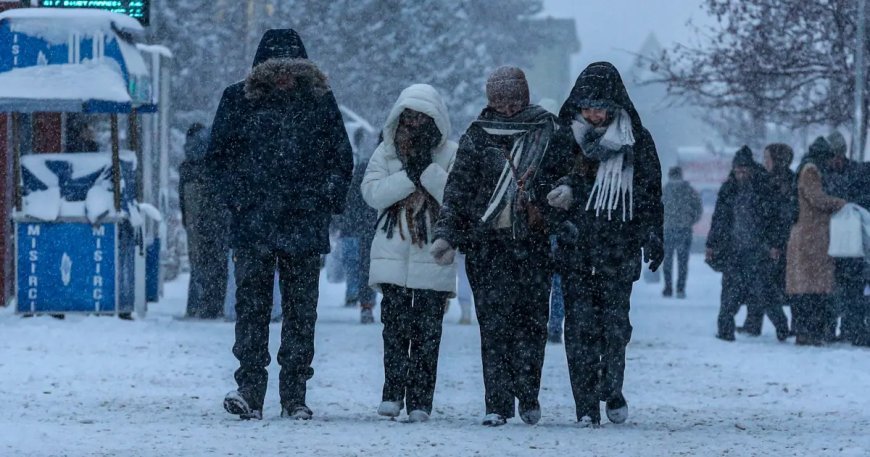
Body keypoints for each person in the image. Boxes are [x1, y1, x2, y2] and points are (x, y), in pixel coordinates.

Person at [210, 29, 353, 420]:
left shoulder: (320, 103)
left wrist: (323, 198)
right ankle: (250, 390)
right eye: (277, 69)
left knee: (300, 313)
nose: (285, 77)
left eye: (292, 69)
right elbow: (218, 160)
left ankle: (294, 395)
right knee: (252, 311)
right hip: (254, 224)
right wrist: (239, 200)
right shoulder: (236, 100)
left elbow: (341, 160)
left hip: (303, 225)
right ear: (264, 71)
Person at [432, 66, 572, 427]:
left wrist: (544, 207)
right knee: (494, 326)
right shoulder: (478, 136)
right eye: (498, 100)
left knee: (531, 324)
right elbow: (458, 189)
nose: (507, 108)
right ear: (489, 100)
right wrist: (446, 233)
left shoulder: (547, 131)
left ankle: (527, 395)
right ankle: (496, 402)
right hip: (487, 245)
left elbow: (564, 181)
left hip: (532, 244)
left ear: (525, 96)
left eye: (513, 100)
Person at [552, 61, 664, 426]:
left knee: (615, 327)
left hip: (619, 246)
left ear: (615, 105)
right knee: (579, 327)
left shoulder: (636, 141)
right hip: (577, 247)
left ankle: (611, 386)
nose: (593, 113)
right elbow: (543, 188)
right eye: (587, 106)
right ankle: (585, 405)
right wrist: (561, 215)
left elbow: (649, 193)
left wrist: (652, 234)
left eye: (600, 106)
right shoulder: (564, 138)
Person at [361, 84, 457, 423]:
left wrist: (427, 171)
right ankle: (391, 392)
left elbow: (455, 196)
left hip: (433, 250)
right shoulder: (385, 154)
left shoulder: (450, 154)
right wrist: (407, 176)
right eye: (409, 116)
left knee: (429, 332)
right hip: (392, 251)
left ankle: (420, 400)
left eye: (421, 116)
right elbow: (372, 194)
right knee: (394, 328)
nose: (414, 122)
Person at [707, 146, 789, 342]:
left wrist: (774, 244)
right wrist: (712, 244)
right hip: (734, 249)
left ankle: (781, 326)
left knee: (765, 292)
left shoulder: (764, 188)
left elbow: (775, 220)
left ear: (751, 169)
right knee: (730, 292)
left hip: (758, 250)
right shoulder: (729, 189)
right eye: (738, 170)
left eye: (744, 170)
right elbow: (719, 220)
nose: (741, 174)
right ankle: (725, 330)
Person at [786, 137, 847, 346]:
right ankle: (808, 333)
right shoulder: (811, 170)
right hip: (811, 238)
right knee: (812, 289)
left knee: (809, 289)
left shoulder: (806, 167)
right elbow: (816, 199)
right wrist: (840, 203)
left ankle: (809, 332)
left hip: (810, 237)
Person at [740, 143, 795, 336]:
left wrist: (774, 243)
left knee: (764, 286)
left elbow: (780, 217)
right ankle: (756, 324)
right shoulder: (771, 181)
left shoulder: (782, 184)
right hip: (767, 242)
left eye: (767, 159)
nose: (764, 163)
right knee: (760, 284)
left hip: (775, 244)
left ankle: (781, 325)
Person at [179, 123, 229, 319]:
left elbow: (185, 202)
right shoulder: (216, 163)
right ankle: (215, 304)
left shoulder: (188, 166)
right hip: (216, 218)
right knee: (217, 261)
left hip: (199, 218)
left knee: (199, 262)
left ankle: (198, 305)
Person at [822, 131, 868, 345]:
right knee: (835, 288)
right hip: (834, 240)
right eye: (833, 157)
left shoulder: (856, 173)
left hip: (851, 241)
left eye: (839, 156)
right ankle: (836, 327)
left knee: (852, 288)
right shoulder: (826, 174)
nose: (836, 161)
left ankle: (851, 328)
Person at [340, 141, 379, 323]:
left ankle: (367, 304)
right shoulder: (368, 167)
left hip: (370, 225)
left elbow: (353, 198)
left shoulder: (366, 166)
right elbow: (355, 197)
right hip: (373, 225)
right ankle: (367, 304)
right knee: (368, 267)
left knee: (367, 267)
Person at [661, 166, 702, 299]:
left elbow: (656, 209)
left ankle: (668, 288)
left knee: (667, 261)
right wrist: (690, 221)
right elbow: (698, 209)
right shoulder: (689, 190)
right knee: (682, 262)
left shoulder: (664, 190)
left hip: (667, 230)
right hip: (684, 230)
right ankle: (680, 289)